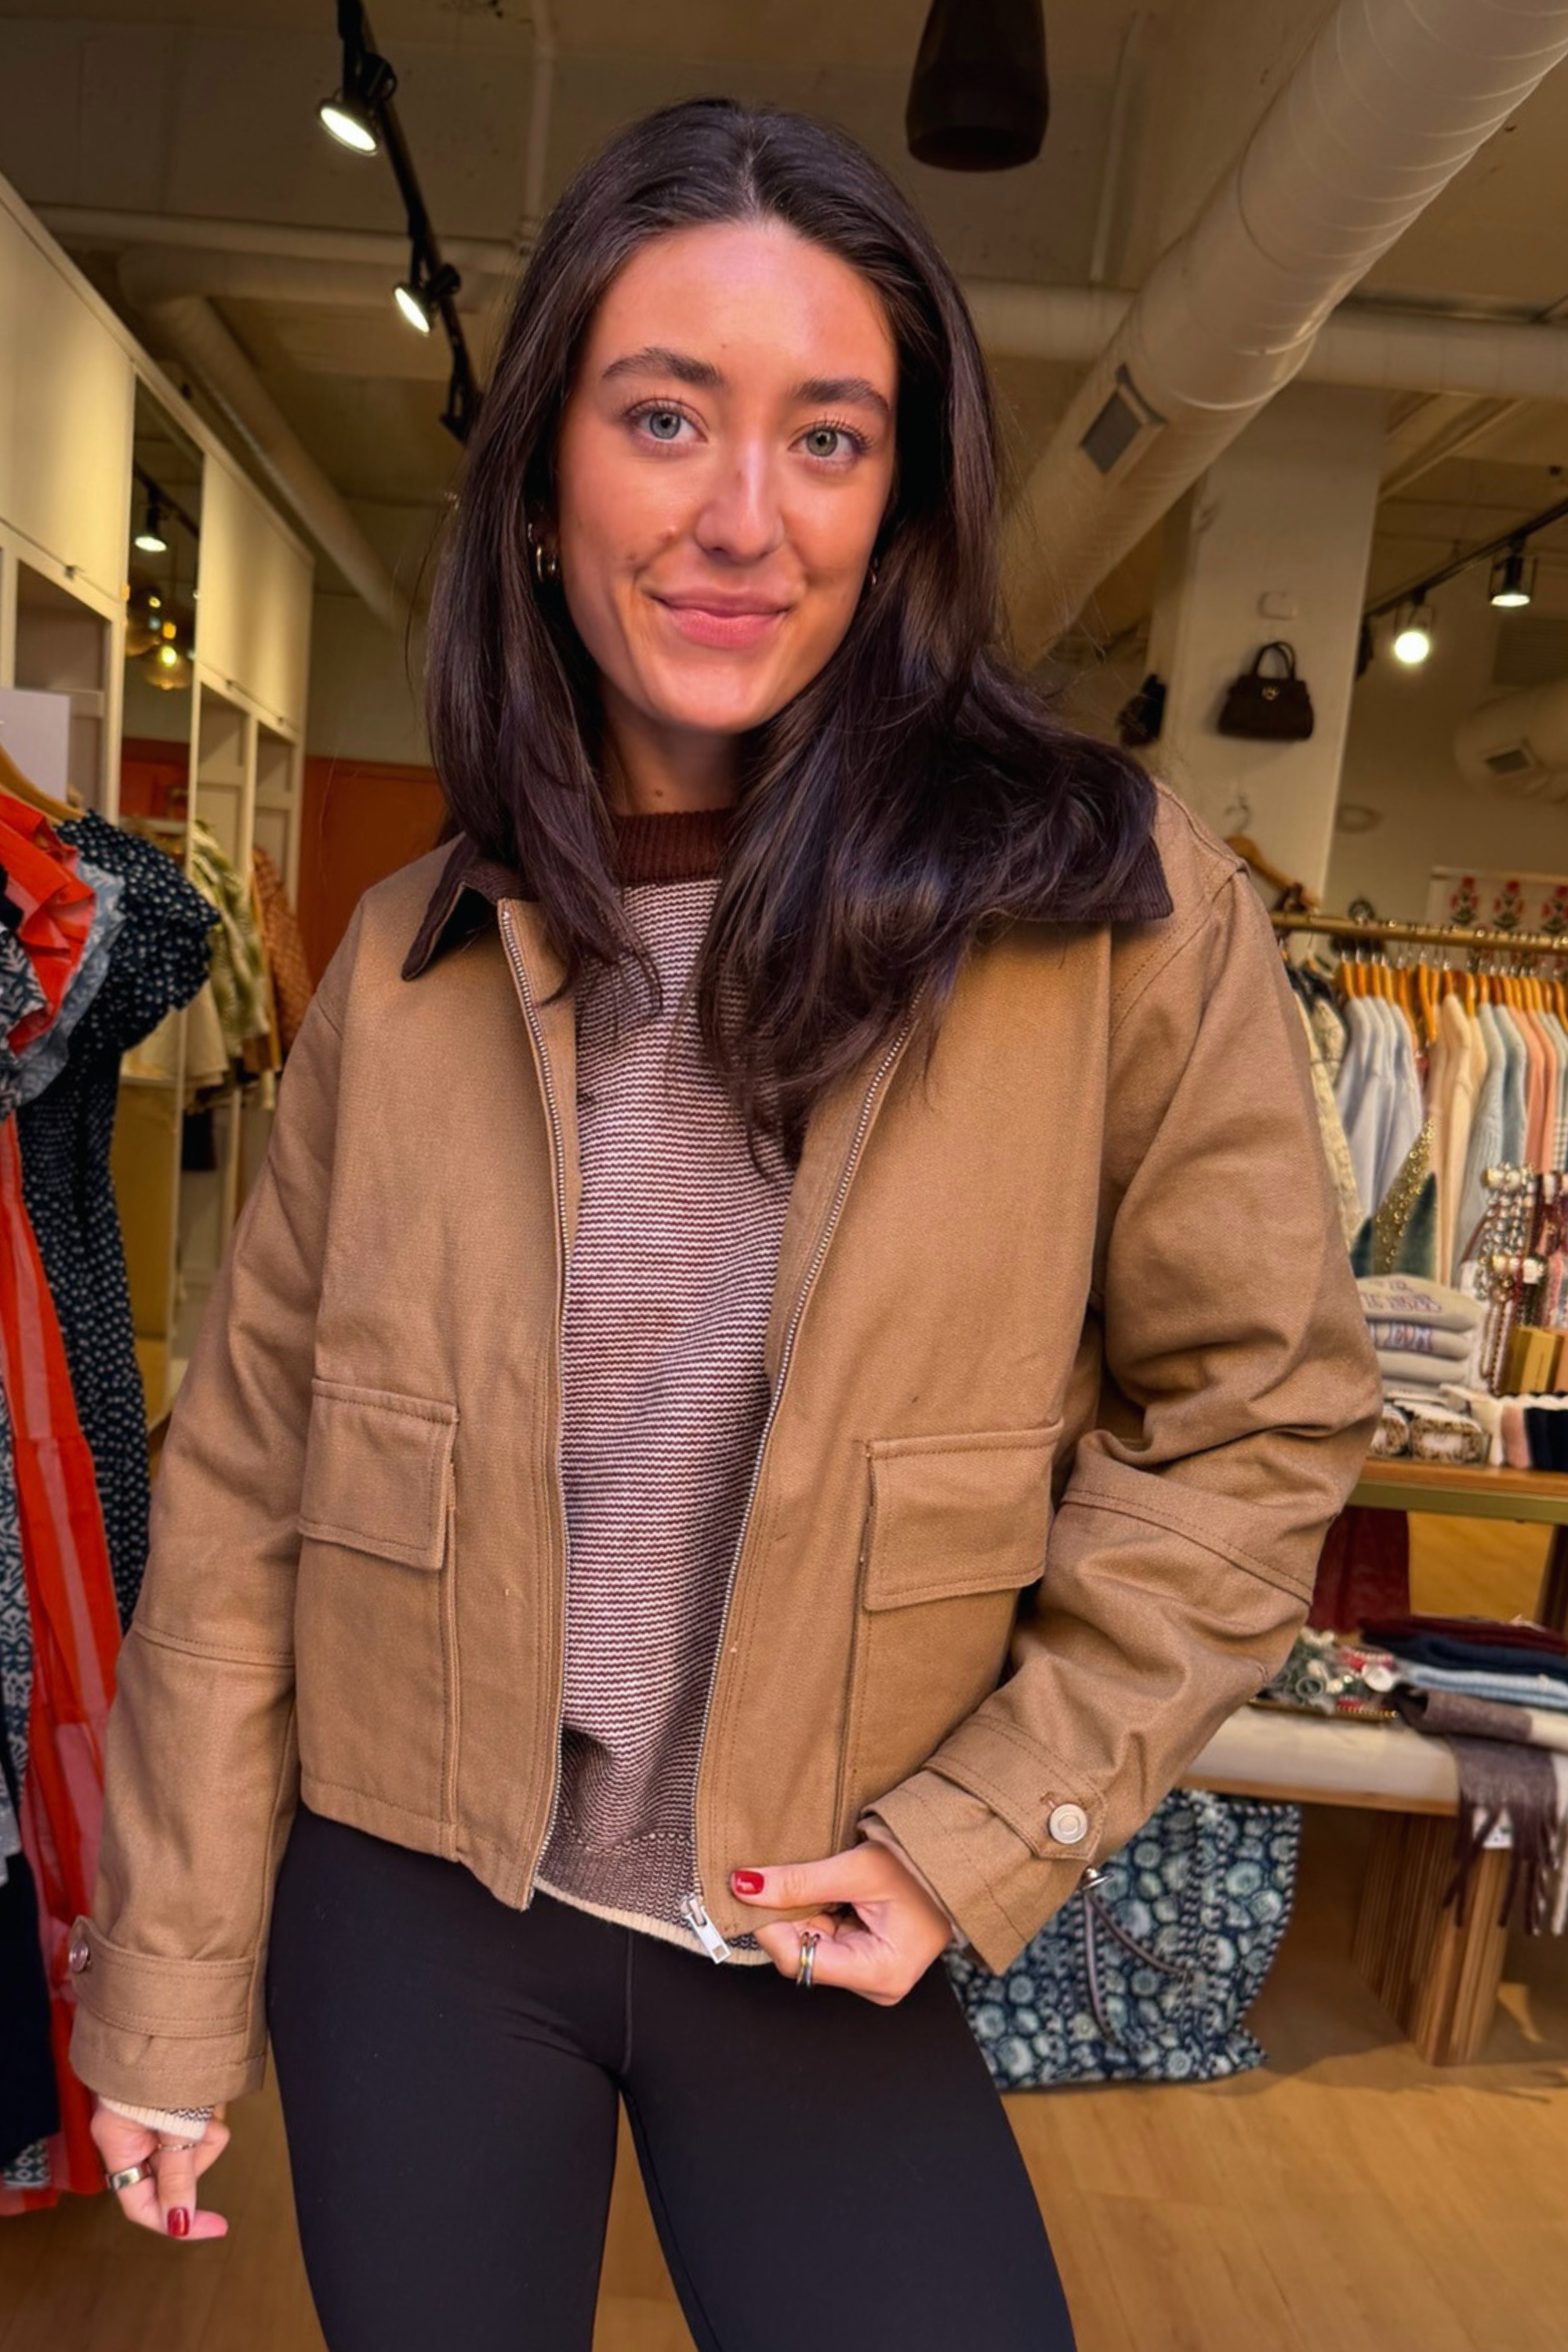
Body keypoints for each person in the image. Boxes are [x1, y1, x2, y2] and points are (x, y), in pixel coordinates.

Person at [70, 98, 1381, 2352]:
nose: (743, 518)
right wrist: (166, 1992)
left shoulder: (1104, 906)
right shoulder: (405, 959)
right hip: (415, 1899)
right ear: (545, 474)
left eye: (830, 439)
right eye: (665, 417)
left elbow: (1260, 1415)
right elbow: (242, 1497)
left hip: (819, 1903)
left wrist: (987, 1830)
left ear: (904, 502)